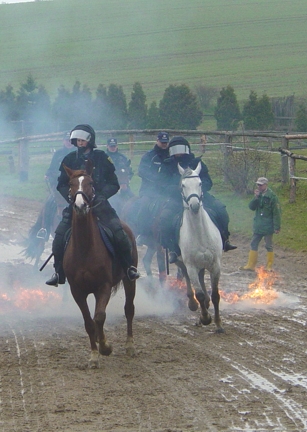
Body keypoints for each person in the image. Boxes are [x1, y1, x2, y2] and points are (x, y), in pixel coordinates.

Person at [45, 124, 140, 286]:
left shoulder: (102, 157)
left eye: (82, 140)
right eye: (77, 140)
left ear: (89, 140)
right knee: (59, 236)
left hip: (100, 206)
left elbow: (114, 183)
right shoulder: (69, 159)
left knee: (120, 233)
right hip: (75, 207)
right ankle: (59, 272)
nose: (80, 143)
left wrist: (102, 196)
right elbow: (60, 184)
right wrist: (72, 198)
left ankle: (128, 267)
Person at [158, 136, 237, 263]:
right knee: (164, 218)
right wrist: (179, 189)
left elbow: (208, 181)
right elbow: (162, 185)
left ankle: (225, 239)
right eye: (175, 149)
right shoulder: (167, 164)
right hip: (177, 199)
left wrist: (197, 189)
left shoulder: (196, 163)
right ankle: (173, 249)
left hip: (200, 196)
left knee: (221, 209)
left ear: (187, 149)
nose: (179, 152)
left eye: (181, 149)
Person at [240, 177, 281, 272]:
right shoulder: (258, 195)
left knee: (268, 245)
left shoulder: (272, 197)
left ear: (266, 185)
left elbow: (276, 212)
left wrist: (277, 226)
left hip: (268, 226)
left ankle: (269, 266)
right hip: (258, 225)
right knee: (253, 243)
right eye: (258, 184)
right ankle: (251, 265)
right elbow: (251, 207)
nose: (259, 186)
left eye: (261, 185)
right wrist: (256, 198)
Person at [136, 131, 170, 245]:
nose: (164, 144)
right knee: (144, 206)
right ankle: (143, 233)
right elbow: (141, 171)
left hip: (168, 191)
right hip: (149, 191)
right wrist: (156, 180)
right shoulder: (149, 156)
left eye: (166, 142)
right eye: (162, 142)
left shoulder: (171, 155)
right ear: (157, 141)